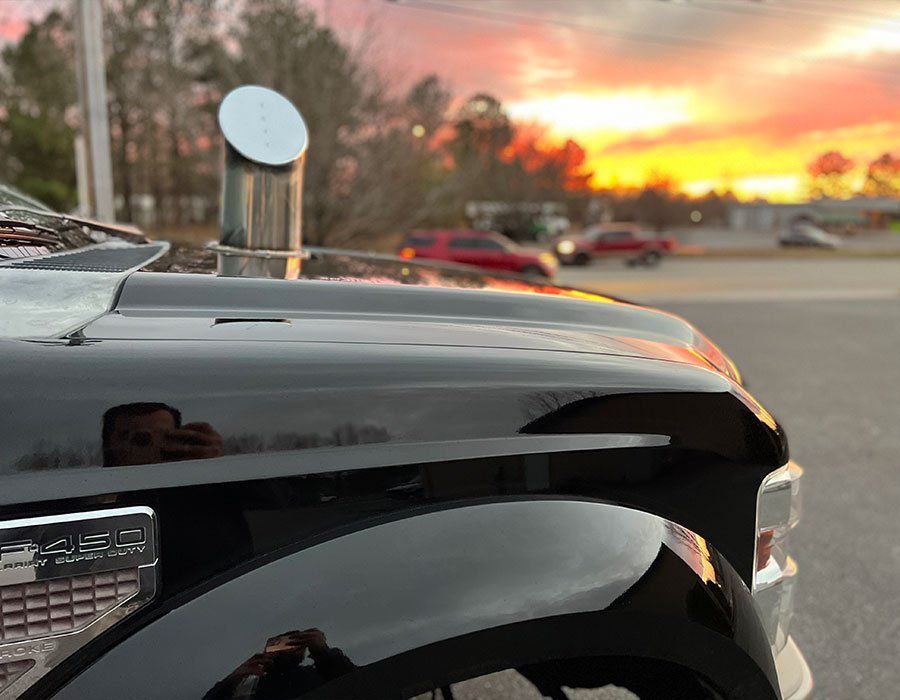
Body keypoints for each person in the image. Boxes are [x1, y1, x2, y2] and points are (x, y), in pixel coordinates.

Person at [204, 629, 356, 699]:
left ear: (303, 648)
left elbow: (357, 683)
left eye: (294, 643)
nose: (284, 649)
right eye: (277, 645)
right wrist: (233, 680)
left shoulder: (320, 674)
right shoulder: (249, 689)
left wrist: (323, 653)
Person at [102, 402, 223, 466]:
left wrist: (212, 467)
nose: (145, 441)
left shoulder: (191, 484)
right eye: (126, 435)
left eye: (164, 436)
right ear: (108, 445)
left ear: (180, 439)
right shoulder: (96, 489)